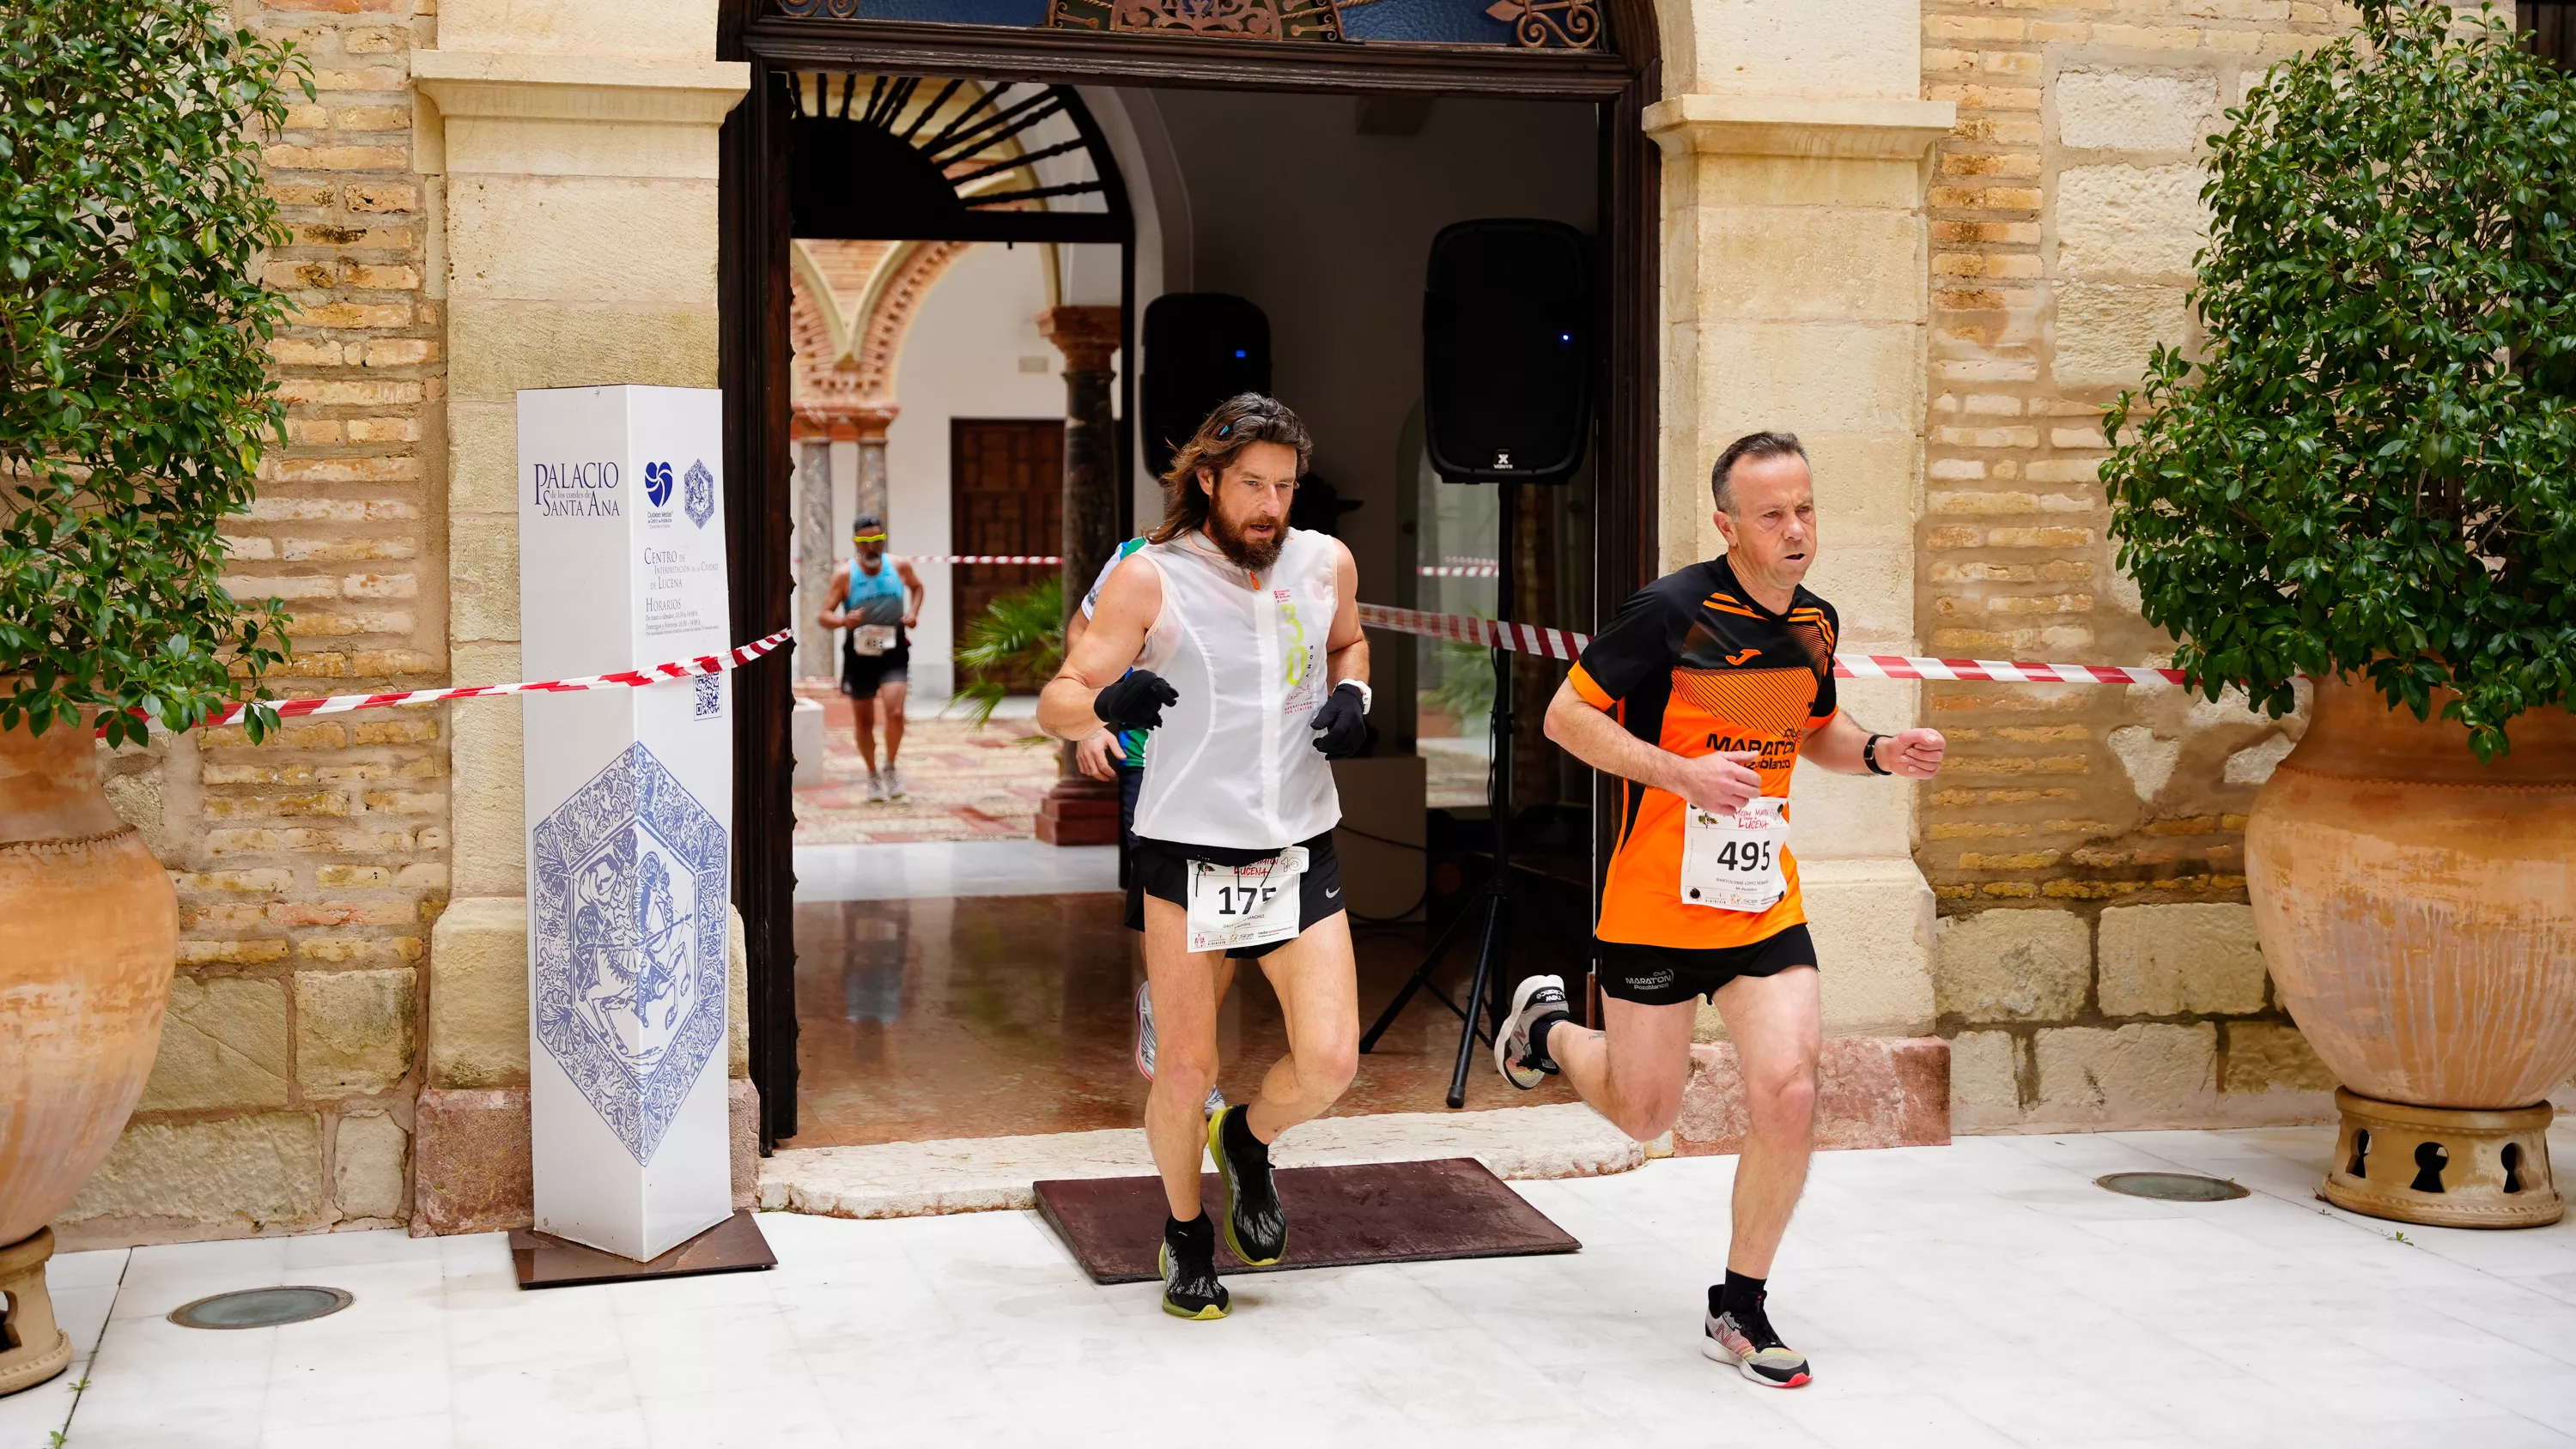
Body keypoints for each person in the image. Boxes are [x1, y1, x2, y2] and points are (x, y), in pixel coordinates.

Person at [1493, 431, 1947, 1388]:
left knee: (1789, 1087)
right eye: (1774, 513)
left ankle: (1739, 1303)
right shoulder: (1667, 610)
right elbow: (1565, 718)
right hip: (1654, 908)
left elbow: (1815, 727)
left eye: (1807, 508)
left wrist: (1877, 753)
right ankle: (1547, 1031)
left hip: (1759, 908)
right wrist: (1680, 772)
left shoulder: (1815, 623)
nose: (1797, 530)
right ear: (1727, 524)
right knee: (1643, 1110)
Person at [1039, 393, 1375, 1321]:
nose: (1271, 504)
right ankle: (1188, 1230)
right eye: (1254, 484)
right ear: (1211, 480)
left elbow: (1349, 642)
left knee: (1333, 1061)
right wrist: (1106, 707)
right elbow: (1059, 695)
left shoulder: (1324, 561)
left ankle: (1251, 1141)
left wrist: (1358, 692)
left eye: (1286, 486)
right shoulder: (1150, 578)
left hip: (1297, 842)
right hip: (1189, 852)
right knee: (1185, 1069)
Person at [1068, 536, 1234, 1122]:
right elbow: (1082, 638)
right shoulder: (1137, 557)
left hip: (1242, 770)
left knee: (1226, 922)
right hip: (1154, 760)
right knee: (1168, 908)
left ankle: (1182, 1041)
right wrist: (1090, 724)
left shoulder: (1284, 559)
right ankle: (1182, 1051)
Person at [817, 513, 925, 803]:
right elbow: (823, 615)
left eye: (877, 540)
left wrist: (913, 612)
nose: (872, 547)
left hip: (894, 649)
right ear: (856, 543)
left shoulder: (899, 566)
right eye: (866, 542)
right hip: (860, 653)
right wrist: (843, 621)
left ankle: (890, 765)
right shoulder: (845, 575)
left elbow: (917, 587)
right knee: (863, 722)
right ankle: (872, 773)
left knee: (895, 712)